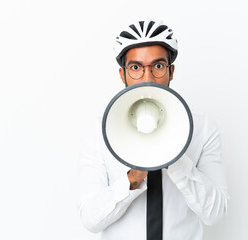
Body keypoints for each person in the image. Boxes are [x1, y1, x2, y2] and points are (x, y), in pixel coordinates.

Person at [78, 19, 229, 240]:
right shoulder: (99, 130)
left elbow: (215, 214)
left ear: (171, 71)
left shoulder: (203, 128)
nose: (147, 78)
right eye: (136, 67)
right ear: (123, 75)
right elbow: (90, 220)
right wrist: (132, 178)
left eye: (158, 66)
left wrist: (175, 158)